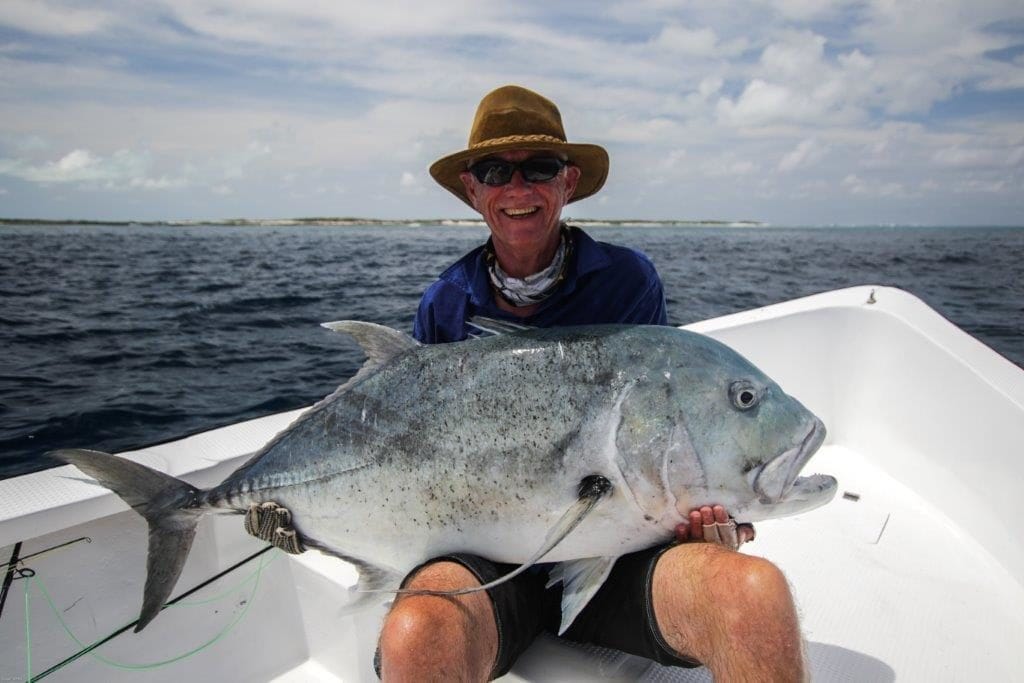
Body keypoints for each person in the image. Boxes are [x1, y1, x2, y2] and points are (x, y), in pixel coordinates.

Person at [376, 85, 807, 681]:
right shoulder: (445, 304)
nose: (518, 189)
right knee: (417, 634)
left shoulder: (628, 281)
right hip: (488, 562)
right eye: (496, 170)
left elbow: (657, 418)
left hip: (624, 550)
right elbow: (411, 452)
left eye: (541, 169)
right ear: (473, 189)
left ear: (568, 182)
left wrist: (695, 510)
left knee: (754, 598)